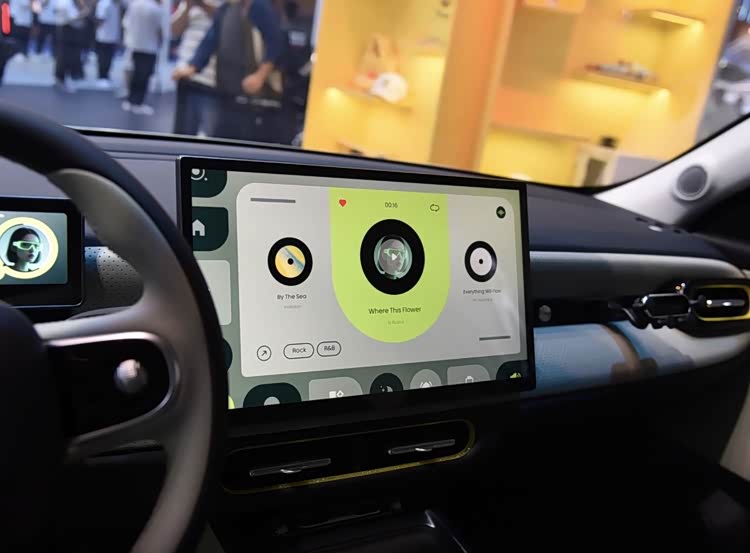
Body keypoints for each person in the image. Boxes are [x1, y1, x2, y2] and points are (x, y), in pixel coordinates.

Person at [172, 0, 284, 143]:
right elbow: (211, 39)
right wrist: (193, 67)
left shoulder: (258, 6)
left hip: (253, 95)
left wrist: (260, 76)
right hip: (228, 89)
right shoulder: (226, 8)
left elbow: (275, 42)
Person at [170, 0, 219, 135]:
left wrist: (202, 5)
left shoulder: (224, 5)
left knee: (210, 132)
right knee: (183, 131)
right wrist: (188, 7)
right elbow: (174, 31)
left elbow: (225, 20)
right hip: (184, 72)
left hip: (211, 77)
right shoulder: (188, 4)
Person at [121, 0, 163, 115]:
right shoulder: (156, 8)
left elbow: (126, 23)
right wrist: (161, 42)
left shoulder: (134, 5)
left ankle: (130, 100)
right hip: (149, 47)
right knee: (144, 76)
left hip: (135, 45)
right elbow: (159, 29)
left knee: (135, 74)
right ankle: (138, 103)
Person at [54, 0, 87, 92]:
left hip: (65, 29)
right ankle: (62, 79)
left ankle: (60, 78)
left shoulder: (63, 2)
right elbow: (72, 17)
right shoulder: (66, 3)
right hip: (67, 30)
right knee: (66, 56)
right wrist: (84, 13)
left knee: (63, 55)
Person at [94, 0, 121, 88]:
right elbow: (100, 19)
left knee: (109, 58)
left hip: (112, 36)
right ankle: (101, 77)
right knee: (103, 58)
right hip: (103, 36)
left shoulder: (115, 4)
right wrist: (97, 32)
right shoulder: (104, 4)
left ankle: (106, 75)